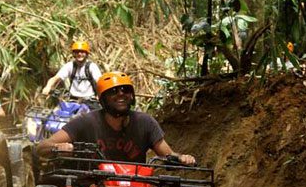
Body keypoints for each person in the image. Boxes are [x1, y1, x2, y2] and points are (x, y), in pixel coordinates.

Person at [37, 71, 195, 165]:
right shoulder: (86, 122)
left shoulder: (145, 122)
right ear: (102, 99)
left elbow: (167, 155)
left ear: (132, 96)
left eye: (125, 90)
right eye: (113, 91)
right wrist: (58, 147)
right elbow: (41, 147)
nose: (121, 94)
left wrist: (182, 158)